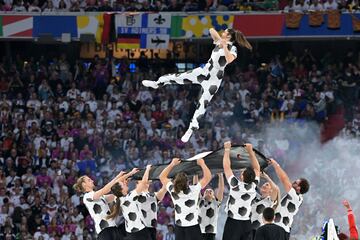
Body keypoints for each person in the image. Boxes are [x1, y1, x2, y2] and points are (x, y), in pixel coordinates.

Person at [142, 28, 252, 142]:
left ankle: (190, 129)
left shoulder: (232, 48)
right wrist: (220, 40)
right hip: (203, 72)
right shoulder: (219, 42)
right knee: (178, 77)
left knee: (202, 104)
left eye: (225, 32)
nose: (222, 32)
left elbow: (229, 59)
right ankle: (157, 83)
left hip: (214, 80)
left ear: (229, 36)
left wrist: (224, 45)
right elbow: (211, 30)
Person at [72, 169, 138, 240]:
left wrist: (124, 183)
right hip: (104, 231)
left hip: (113, 228)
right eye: (89, 180)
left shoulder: (101, 197)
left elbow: (116, 195)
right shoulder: (87, 196)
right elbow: (105, 189)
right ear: (84, 184)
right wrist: (121, 176)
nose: (92, 181)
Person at [159, 158, 212, 240]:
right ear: (187, 182)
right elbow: (208, 177)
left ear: (175, 182)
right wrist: (202, 164)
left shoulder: (173, 190)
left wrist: (172, 164)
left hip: (179, 227)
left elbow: (162, 176)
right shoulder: (194, 190)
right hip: (193, 226)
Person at [222, 142, 261, 240]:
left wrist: (227, 150)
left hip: (233, 223)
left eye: (242, 172)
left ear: (242, 177)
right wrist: (250, 151)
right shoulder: (253, 186)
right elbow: (257, 168)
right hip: (246, 223)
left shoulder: (235, 185)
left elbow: (226, 167)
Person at [268, 158, 310, 240]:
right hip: (280, 229)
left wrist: (275, 164)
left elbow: (284, 179)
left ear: (298, 188)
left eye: (295, 183)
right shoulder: (298, 197)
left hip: (280, 229)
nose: (292, 182)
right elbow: (283, 179)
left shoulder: (295, 197)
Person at [107, 165, 153, 240]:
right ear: (121, 190)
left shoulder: (117, 198)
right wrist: (147, 169)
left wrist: (130, 173)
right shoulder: (130, 197)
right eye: (123, 184)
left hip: (130, 232)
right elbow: (143, 183)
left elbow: (117, 182)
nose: (125, 183)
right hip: (139, 231)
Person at [138, 170, 168, 240]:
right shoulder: (135, 195)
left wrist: (166, 180)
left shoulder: (153, 196)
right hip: (140, 228)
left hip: (151, 228)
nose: (148, 182)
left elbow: (164, 189)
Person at [195, 173, 224, 240]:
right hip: (200, 232)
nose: (208, 192)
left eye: (210, 192)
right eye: (206, 191)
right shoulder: (200, 202)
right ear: (203, 195)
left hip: (211, 233)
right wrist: (195, 174)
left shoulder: (216, 203)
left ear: (213, 196)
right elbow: (195, 187)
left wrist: (220, 175)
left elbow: (221, 188)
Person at [251, 172, 280, 236]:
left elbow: (276, 189)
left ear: (271, 191)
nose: (264, 185)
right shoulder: (256, 199)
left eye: (267, 185)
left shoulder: (269, 201)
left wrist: (266, 177)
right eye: (264, 184)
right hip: (249, 230)